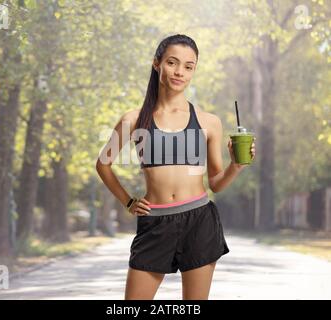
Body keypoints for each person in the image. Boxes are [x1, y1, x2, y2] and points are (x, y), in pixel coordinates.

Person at [96, 34, 256, 300]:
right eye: (172, 62)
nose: (180, 71)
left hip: (199, 221)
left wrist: (236, 166)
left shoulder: (208, 122)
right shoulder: (133, 120)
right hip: (155, 223)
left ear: (194, 71)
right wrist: (128, 202)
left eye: (188, 66)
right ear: (157, 63)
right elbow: (103, 165)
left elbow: (215, 182)